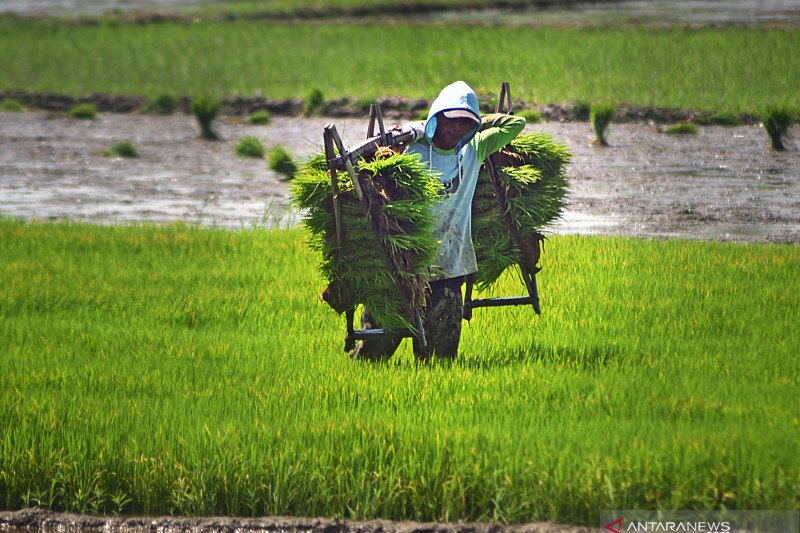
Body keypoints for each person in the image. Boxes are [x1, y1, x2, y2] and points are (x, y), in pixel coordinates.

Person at [350, 80, 526, 361]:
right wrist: (419, 129)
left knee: (439, 360)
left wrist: (478, 121)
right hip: (401, 265)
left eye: (464, 124)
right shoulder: (408, 151)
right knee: (374, 353)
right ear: (437, 118)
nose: (456, 129)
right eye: (451, 121)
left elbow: (516, 124)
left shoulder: (475, 150)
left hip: (448, 266)